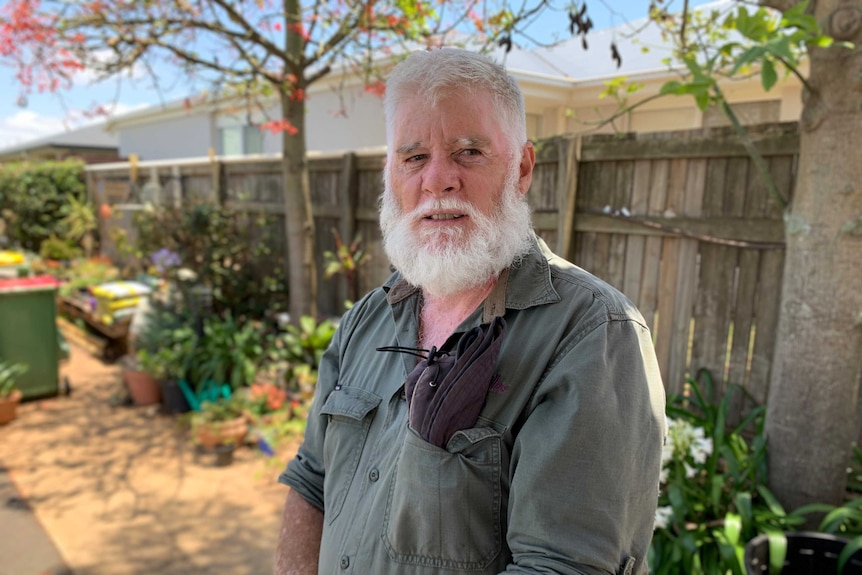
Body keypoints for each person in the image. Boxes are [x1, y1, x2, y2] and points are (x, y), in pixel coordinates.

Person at [275, 47, 667, 575]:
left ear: (522, 168)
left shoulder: (591, 335)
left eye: (468, 152)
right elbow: (311, 481)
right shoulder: (367, 319)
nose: (438, 180)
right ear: (390, 172)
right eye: (414, 157)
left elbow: (561, 566)